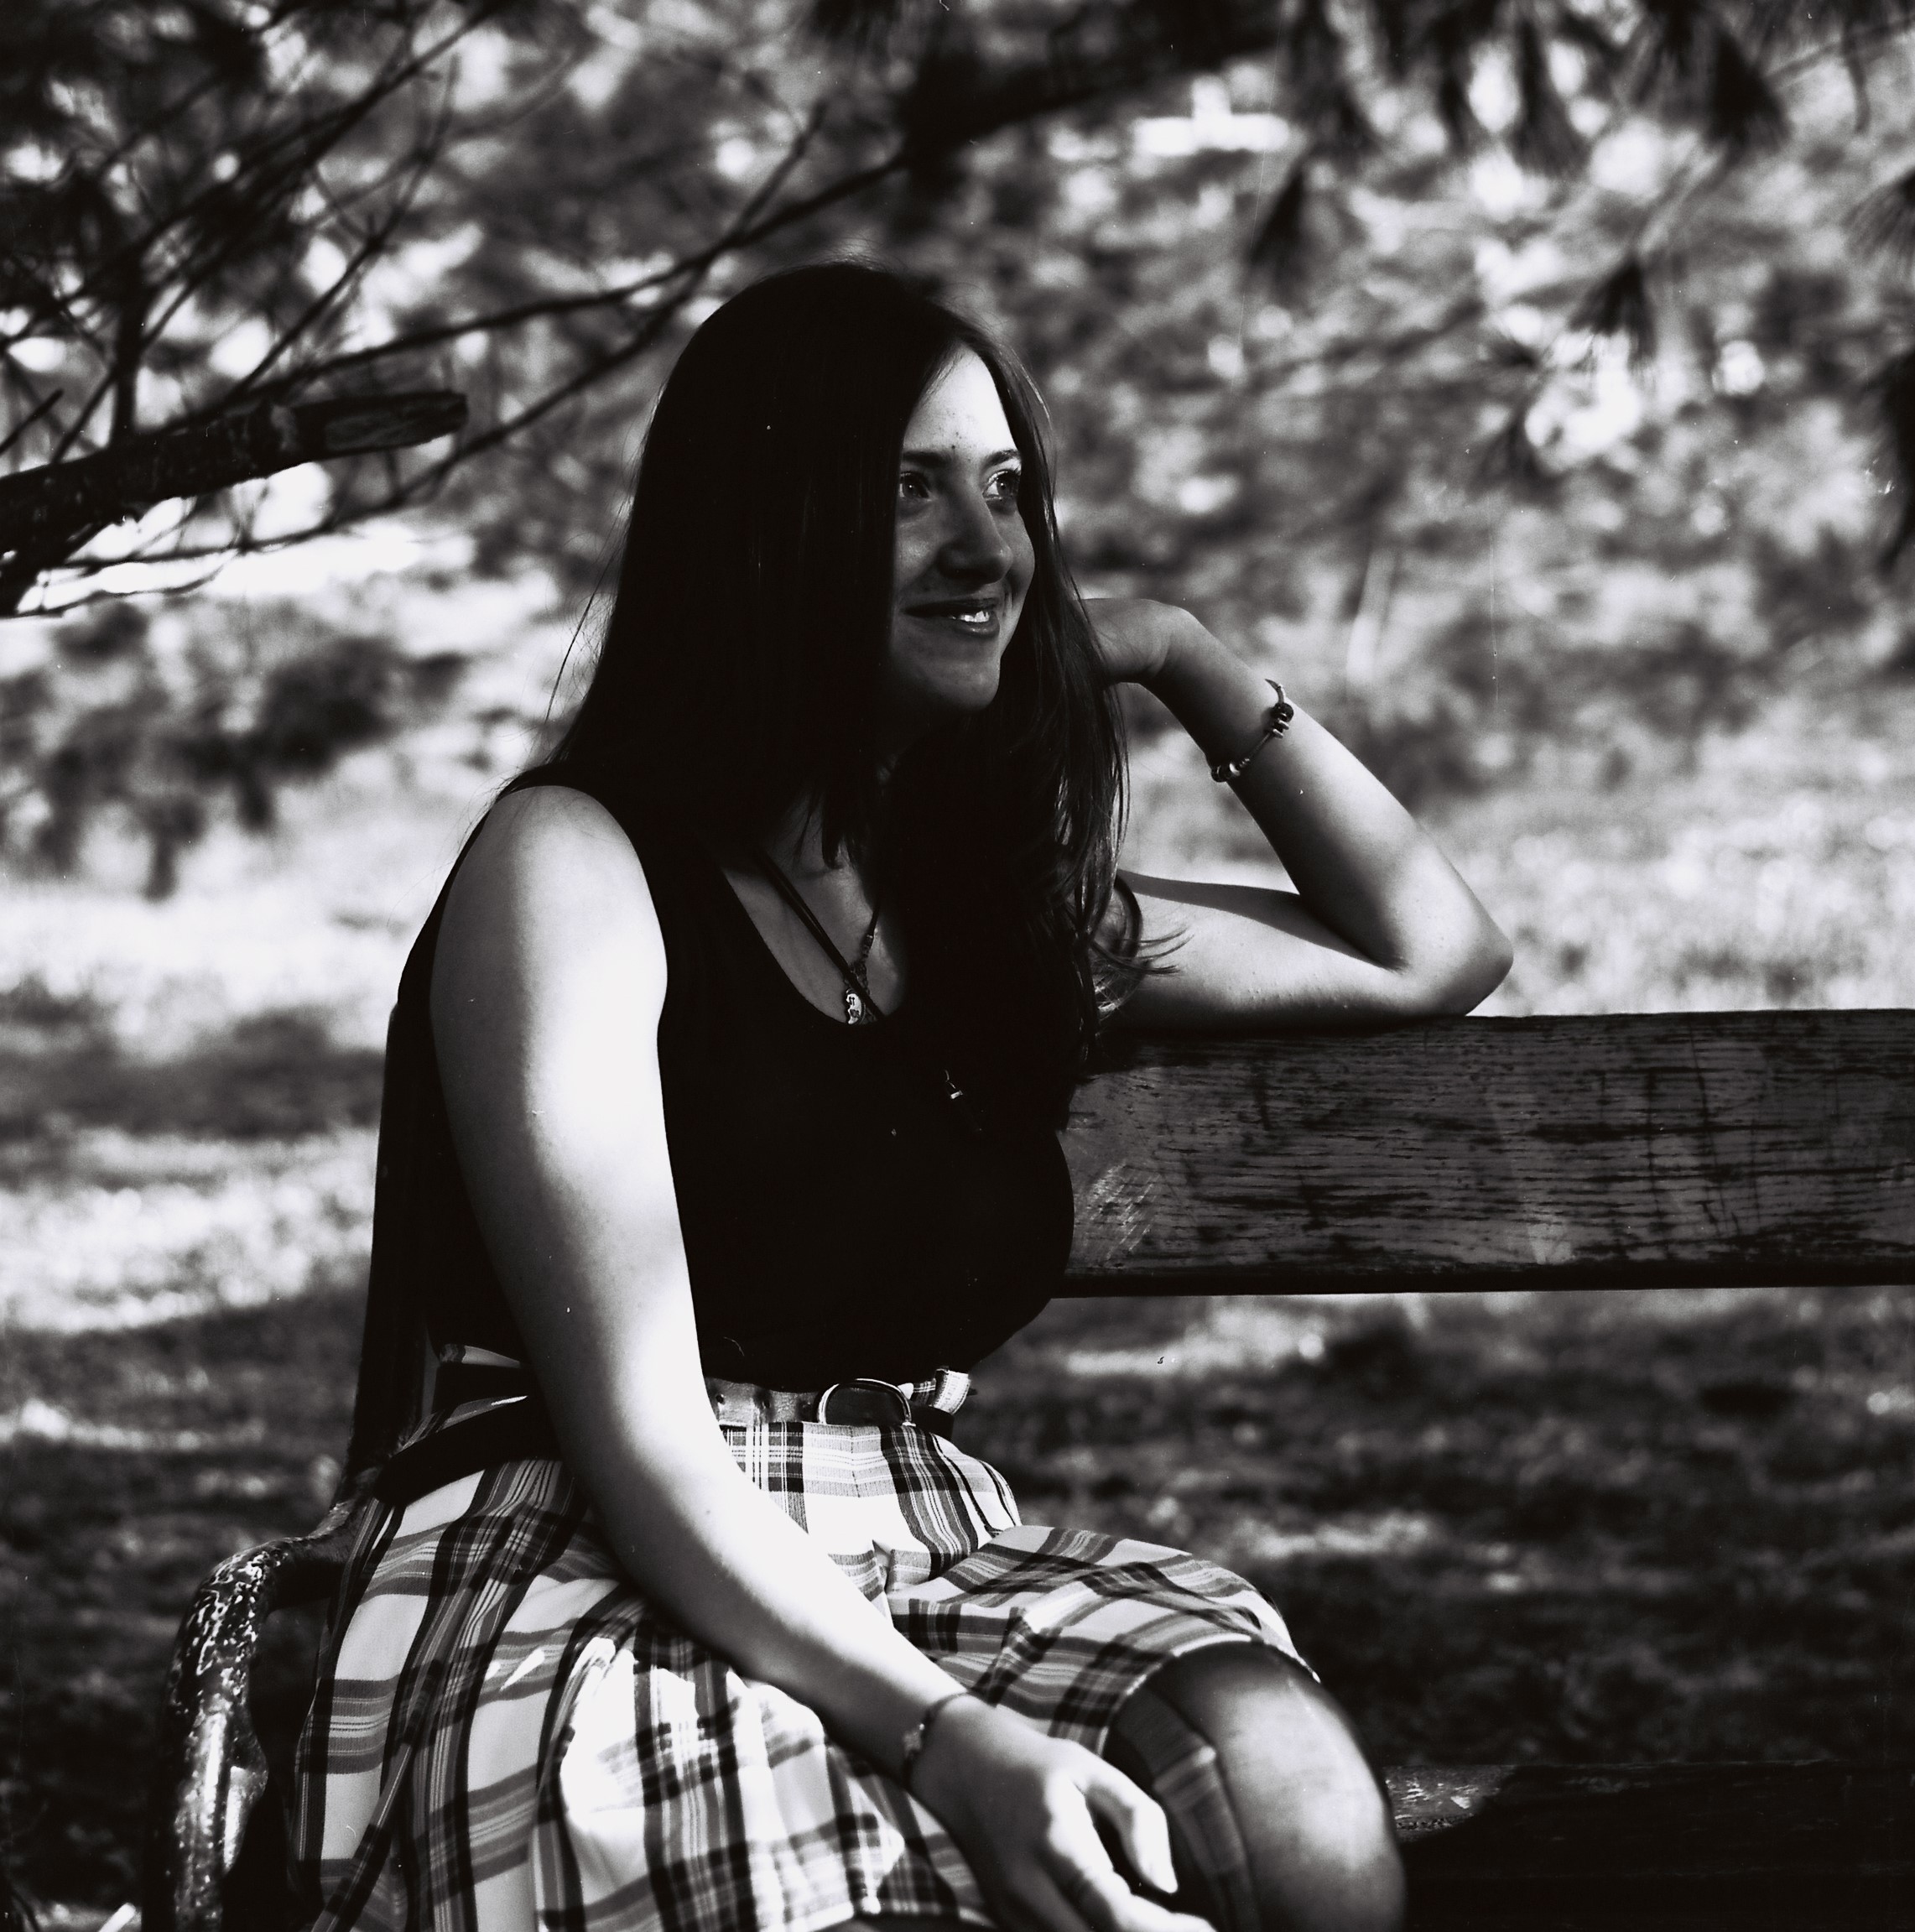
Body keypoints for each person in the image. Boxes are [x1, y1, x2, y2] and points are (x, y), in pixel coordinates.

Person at [292, 262, 1512, 1932]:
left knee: (1284, 1813)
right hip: (583, 1555)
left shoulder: (977, 913)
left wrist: (1180, 653)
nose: (988, 549)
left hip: (923, 1543)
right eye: (908, 492)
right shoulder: (573, 864)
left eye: (1008, 493)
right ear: (760, 531)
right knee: (809, 1877)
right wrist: (954, 1743)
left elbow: (1430, 950)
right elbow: (640, 1439)